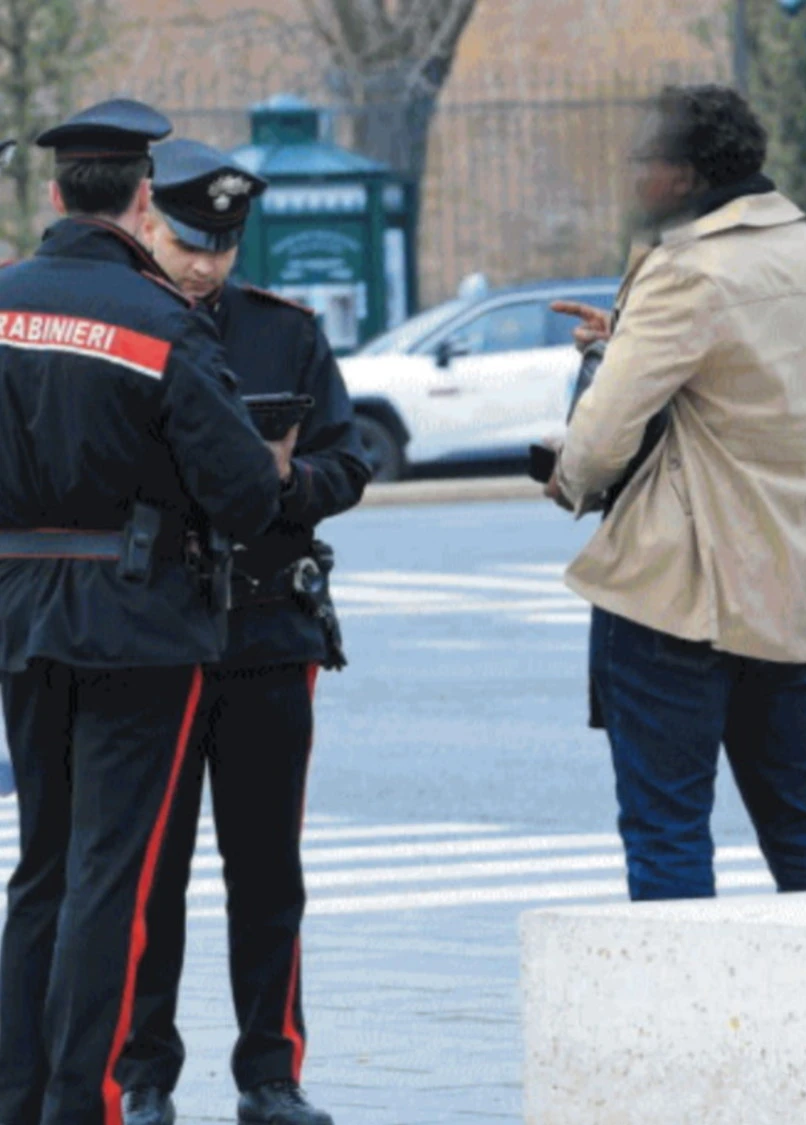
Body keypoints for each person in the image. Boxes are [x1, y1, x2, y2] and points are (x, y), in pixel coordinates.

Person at [0, 101, 285, 1125]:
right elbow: (246, 494)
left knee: (40, 868)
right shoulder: (160, 322)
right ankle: (87, 1104)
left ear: (52, 194)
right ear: (138, 202)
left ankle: (17, 1096)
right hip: (138, 623)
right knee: (108, 878)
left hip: (20, 614)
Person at [542, 85, 806, 901]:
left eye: (640, 162)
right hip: (788, 586)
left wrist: (568, 477)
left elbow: (601, 439)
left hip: (677, 591)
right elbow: (760, 384)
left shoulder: (685, 267)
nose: (630, 179)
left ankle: (680, 1024)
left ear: (683, 175)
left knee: (667, 826)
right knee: (800, 817)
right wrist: (630, 340)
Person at [114, 140, 370, 1125]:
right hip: (157, 635)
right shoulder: (131, 327)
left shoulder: (285, 331)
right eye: (190, 242)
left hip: (268, 630)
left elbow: (346, 462)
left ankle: (270, 1072)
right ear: (148, 221)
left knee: (268, 870)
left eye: (223, 245)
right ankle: (144, 1074)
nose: (207, 264)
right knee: (153, 874)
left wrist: (284, 488)